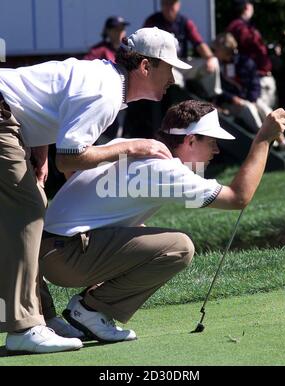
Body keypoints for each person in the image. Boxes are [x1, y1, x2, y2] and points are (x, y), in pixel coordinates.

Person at [0, 27, 192, 354]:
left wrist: (38, 150)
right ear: (145, 67)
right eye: (168, 68)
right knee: (27, 212)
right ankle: (24, 328)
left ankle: (41, 317)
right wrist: (134, 146)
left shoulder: (105, 80)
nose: (173, 79)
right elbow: (71, 159)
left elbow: (49, 108)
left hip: (12, 120)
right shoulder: (105, 91)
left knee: (27, 209)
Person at [38, 100, 285, 343]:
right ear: (191, 140)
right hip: (66, 258)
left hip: (50, 252)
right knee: (178, 247)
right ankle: (90, 310)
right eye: (212, 142)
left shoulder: (133, 146)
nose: (216, 151)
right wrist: (263, 139)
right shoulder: (166, 169)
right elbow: (238, 198)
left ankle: (86, 308)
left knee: (143, 232)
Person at [144, 0, 222, 98]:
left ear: (178, 5)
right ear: (161, 5)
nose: (169, 7)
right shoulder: (153, 21)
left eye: (172, 3)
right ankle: (180, 103)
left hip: (181, 63)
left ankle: (213, 100)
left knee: (213, 65)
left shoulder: (184, 22)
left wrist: (210, 58)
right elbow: (145, 46)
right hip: (162, 64)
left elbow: (198, 43)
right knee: (176, 80)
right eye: (166, 3)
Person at [84, 16, 130, 140]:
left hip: (126, 101)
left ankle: (122, 159)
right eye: (116, 29)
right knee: (107, 137)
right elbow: (84, 69)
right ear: (108, 31)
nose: (120, 32)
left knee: (122, 136)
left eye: (122, 29)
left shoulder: (127, 51)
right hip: (106, 101)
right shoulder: (98, 50)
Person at [226, 0, 277, 109]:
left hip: (261, 78)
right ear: (247, 7)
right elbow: (248, 44)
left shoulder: (245, 26)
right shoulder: (238, 26)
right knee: (267, 120)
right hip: (255, 81)